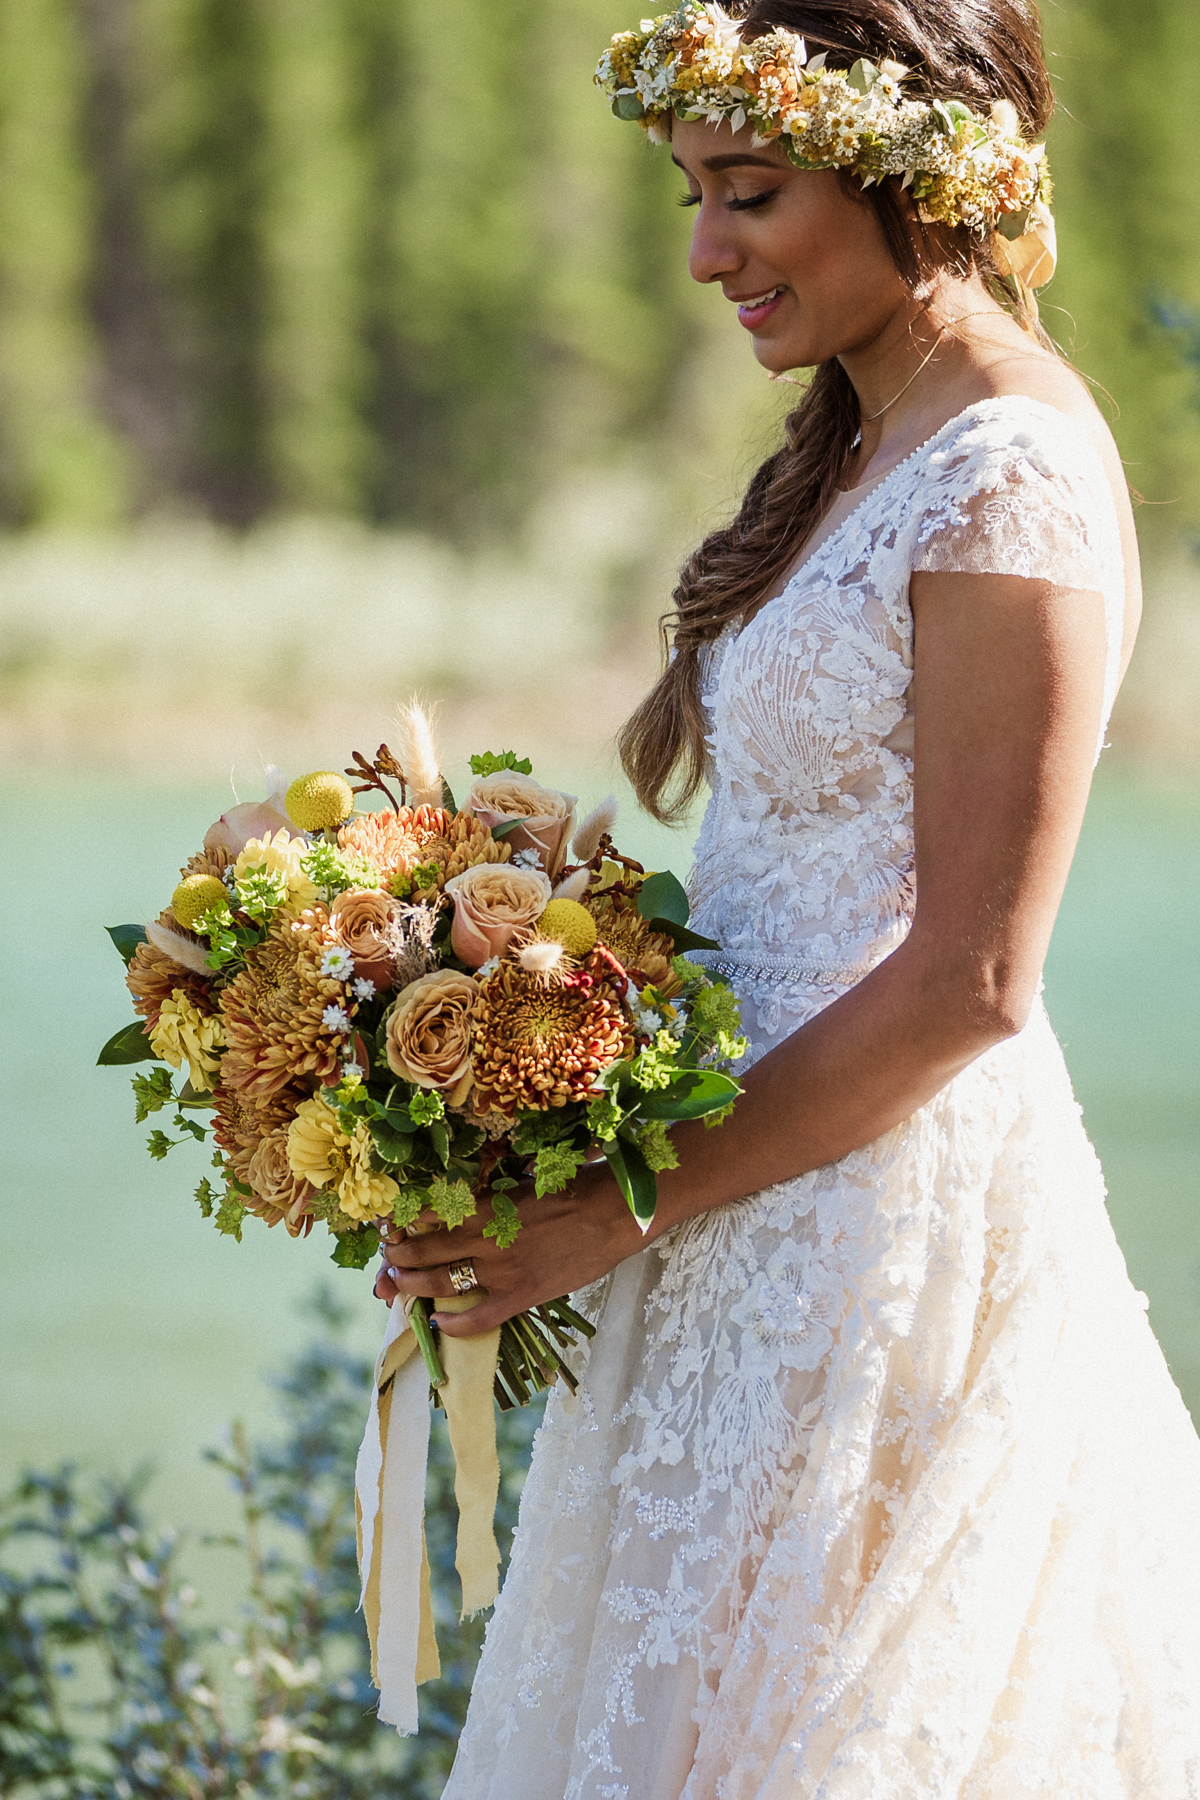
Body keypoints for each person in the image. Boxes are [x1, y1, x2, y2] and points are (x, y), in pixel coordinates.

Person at [379, 2, 1200, 1791]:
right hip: (732, 1208)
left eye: (745, 192)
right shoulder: (860, 442)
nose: (702, 253)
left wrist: (616, 1206)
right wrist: (523, 1047)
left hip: (875, 1237)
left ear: (914, 173)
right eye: (691, 194)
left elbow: (974, 976)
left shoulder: (1013, 469)